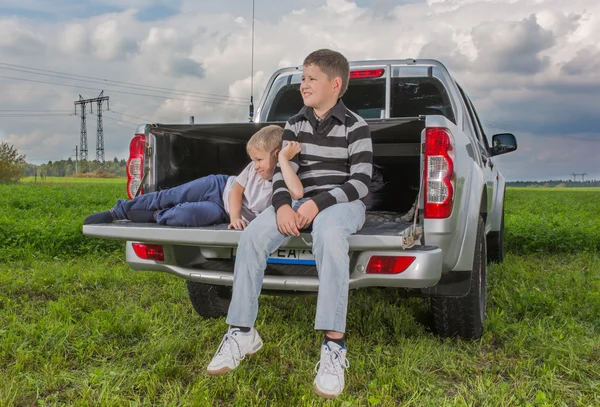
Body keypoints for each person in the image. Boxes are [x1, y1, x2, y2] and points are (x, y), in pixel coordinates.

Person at [207, 49, 373, 399]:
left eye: (312, 79)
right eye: (302, 79)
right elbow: (286, 173)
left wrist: (317, 203)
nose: (303, 85)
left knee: (328, 236)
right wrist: (282, 206)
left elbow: (361, 182)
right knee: (252, 236)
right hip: (296, 201)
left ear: (335, 83)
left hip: (341, 203)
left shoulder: (356, 126)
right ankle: (242, 332)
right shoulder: (294, 123)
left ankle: (334, 347)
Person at [83, 125, 285, 229]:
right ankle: (118, 211)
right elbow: (236, 192)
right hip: (219, 187)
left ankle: (154, 216)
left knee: (186, 215)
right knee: (170, 195)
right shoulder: (253, 168)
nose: (256, 165)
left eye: (259, 160)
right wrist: (236, 218)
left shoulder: (285, 183)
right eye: (254, 160)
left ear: (277, 156)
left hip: (219, 211)